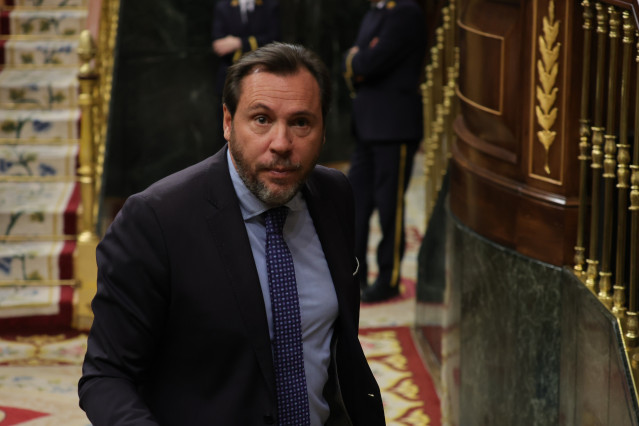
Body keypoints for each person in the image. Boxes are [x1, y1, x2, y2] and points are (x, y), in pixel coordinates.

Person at [78, 43, 386, 426]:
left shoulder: (334, 194)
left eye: (301, 122)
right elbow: (106, 377)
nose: (281, 143)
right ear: (227, 122)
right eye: (261, 119)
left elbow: (337, 350)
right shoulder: (155, 220)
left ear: (324, 129)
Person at [343, 0, 425, 303]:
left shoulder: (405, 11)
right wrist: (359, 58)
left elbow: (366, 62)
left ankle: (388, 279)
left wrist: (359, 58)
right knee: (355, 203)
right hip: (366, 124)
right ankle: (354, 273)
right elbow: (353, 60)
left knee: (390, 207)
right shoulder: (375, 11)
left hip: (395, 127)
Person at [212, 0, 280, 135]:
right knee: (228, 125)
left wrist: (238, 43)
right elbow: (219, 44)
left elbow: (274, 40)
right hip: (230, 75)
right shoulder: (223, 6)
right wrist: (254, 42)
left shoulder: (270, 5)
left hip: (263, 75)